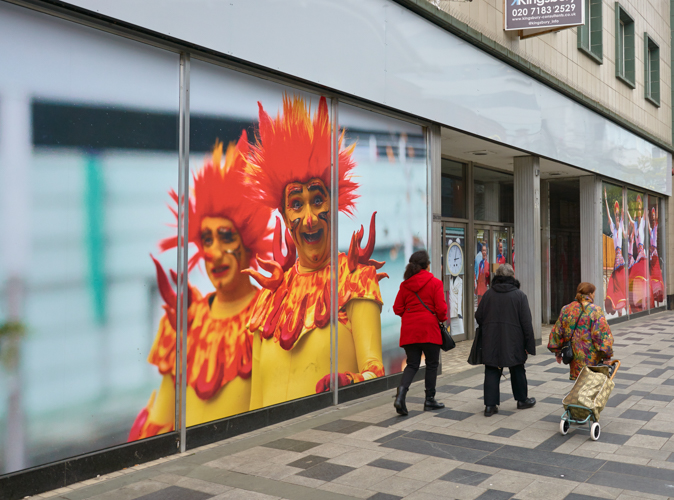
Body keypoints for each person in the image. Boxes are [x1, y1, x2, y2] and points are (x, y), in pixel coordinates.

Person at [245, 94, 386, 409]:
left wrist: (350, 383)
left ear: (334, 206)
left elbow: (375, 371)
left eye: (317, 200)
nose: (309, 218)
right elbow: (255, 402)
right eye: (297, 204)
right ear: (283, 215)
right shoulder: (268, 297)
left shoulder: (355, 280)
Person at [128, 137, 273, 440]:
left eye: (226, 237)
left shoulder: (267, 313)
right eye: (207, 240)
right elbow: (162, 419)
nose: (214, 253)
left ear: (248, 244)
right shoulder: (186, 320)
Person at [475, 263, 536, 417]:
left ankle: (490, 405)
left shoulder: (488, 295)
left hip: (491, 339)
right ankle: (522, 400)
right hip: (514, 340)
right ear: (512, 277)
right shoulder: (519, 296)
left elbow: (479, 317)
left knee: (491, 369)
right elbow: (526, 323)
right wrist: (529, 345)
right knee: (517, 369)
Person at [392, 250, 447, 415]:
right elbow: (442, 310)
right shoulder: (435, 283)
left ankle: (400, 396)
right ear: (427, 265)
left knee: (412, 364)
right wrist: (436, 317)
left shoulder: (405, 285)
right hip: (429, 330)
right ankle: (429, 400)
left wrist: (410, 316)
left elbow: (397, 308)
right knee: (432, 364)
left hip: (410, 331)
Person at [548, 282, 613, 380]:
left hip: (574, 359)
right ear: (590, 294)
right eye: (594, 293)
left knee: (579, 385)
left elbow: (557, 332)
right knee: (590, 386)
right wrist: (607, 356)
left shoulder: (566, 309)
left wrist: (557, 352)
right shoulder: (595, 310)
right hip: (592, 360)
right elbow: (602, 335)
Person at [604, 189, 627, 316]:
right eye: (616, 217)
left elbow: (623, 212)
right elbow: (608, 214)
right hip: (616, 260)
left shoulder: (621, 227)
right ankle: (618, 308)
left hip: (620, 261)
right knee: (616, 284)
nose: (617, 218)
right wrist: (606, 199)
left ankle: (621, 307)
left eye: (618, 217)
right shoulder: (613, 228)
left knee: (620, 283)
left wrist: (624, 196)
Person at [627, 196, 649, 312]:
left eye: (641, 210)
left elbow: (646, 212)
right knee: (635, 278)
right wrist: (625, 209)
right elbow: (629, 217)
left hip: (642, 255)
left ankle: (643, 302)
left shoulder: (643, 223)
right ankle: (637, 301)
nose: (640, 212)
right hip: (638, 256)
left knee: (641, 278)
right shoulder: (635, 224)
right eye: (638, 210)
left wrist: (643, 199)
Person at [648, 206, 664, 305]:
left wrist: (657, 209)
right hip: (652, 255)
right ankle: (655, 299)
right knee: (653, 276)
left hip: (655, 255)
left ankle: (658, 300)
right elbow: (649, 225)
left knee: (657, 276)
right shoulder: (651, 230)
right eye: (652, 216)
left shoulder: (656, 228)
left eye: (654, 216)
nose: (653, 218)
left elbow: (656, 220)